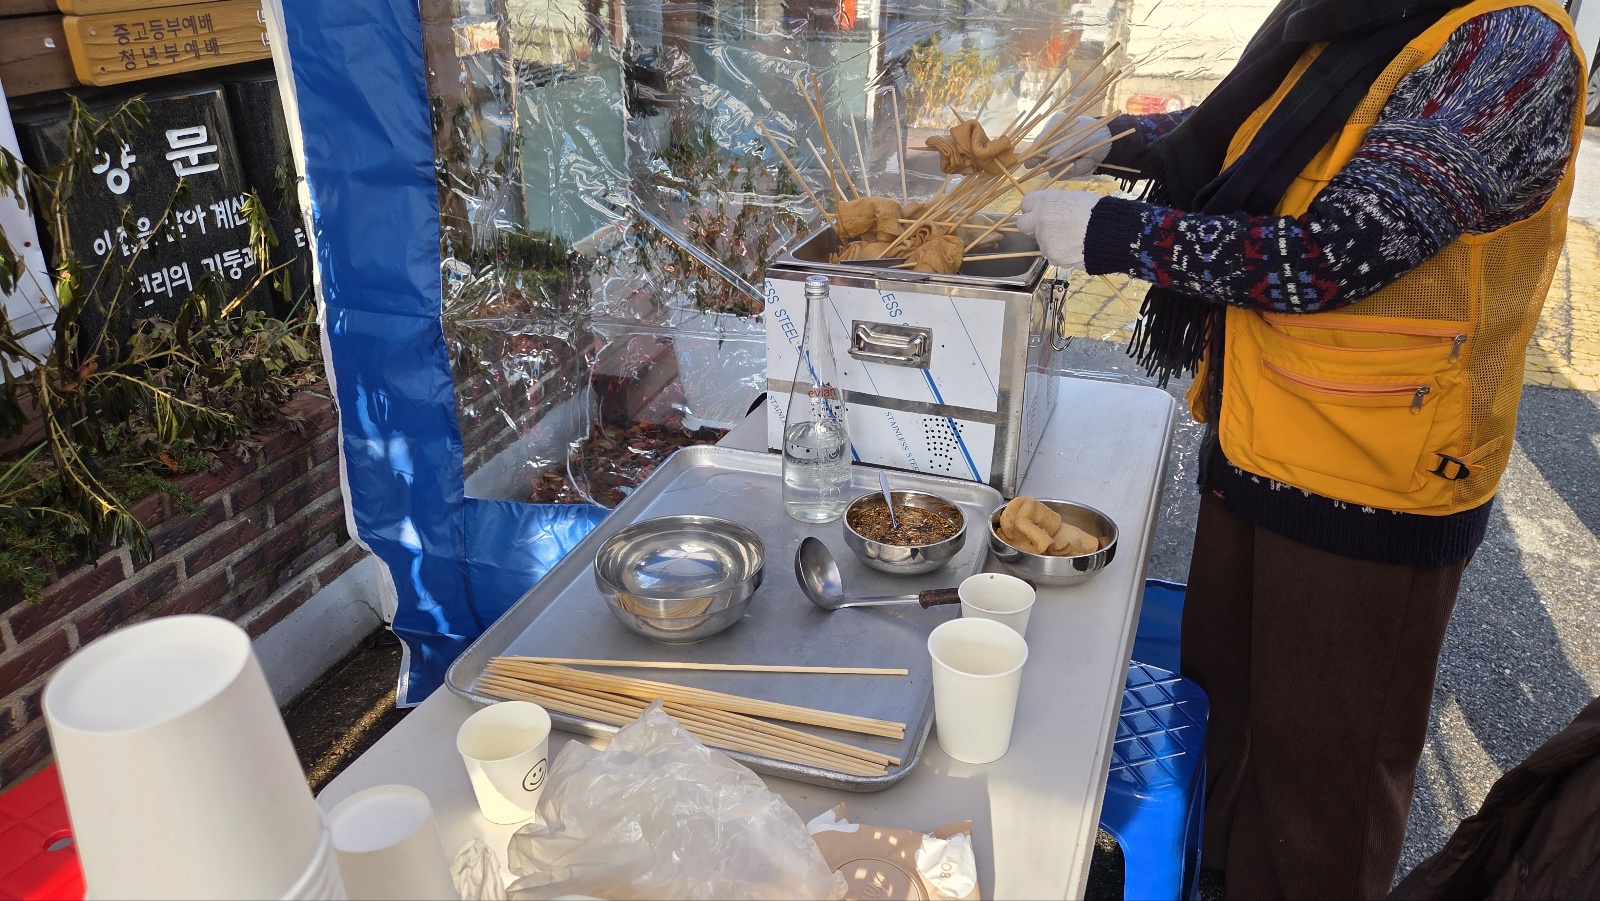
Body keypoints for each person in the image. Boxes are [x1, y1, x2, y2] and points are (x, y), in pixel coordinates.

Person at [1015, 1, 1585, 898]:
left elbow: (1338, 250)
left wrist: (1115, 235)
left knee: (1320, 798)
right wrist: (1111, 140)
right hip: (1257, 438)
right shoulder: (1348, 19)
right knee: (1221, 726)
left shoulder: (1507, 41)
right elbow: (1255, 132)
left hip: (1376, 483)